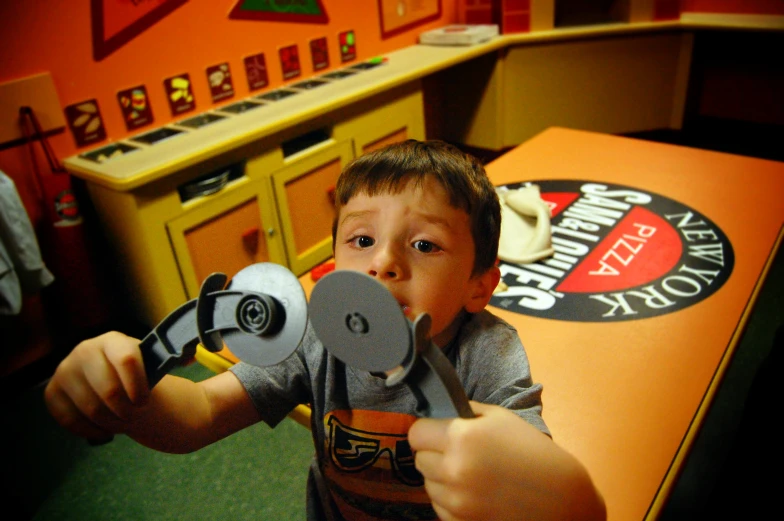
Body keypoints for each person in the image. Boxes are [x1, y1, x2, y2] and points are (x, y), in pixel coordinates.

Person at [45, 140, 605, 520]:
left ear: (479, 286)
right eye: (361, 240)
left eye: (424, 245)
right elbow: (200, 415)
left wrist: (569, 502)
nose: (383, 263)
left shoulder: (488, 352)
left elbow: (532, 471)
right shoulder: (317, 337)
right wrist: (125, 387)